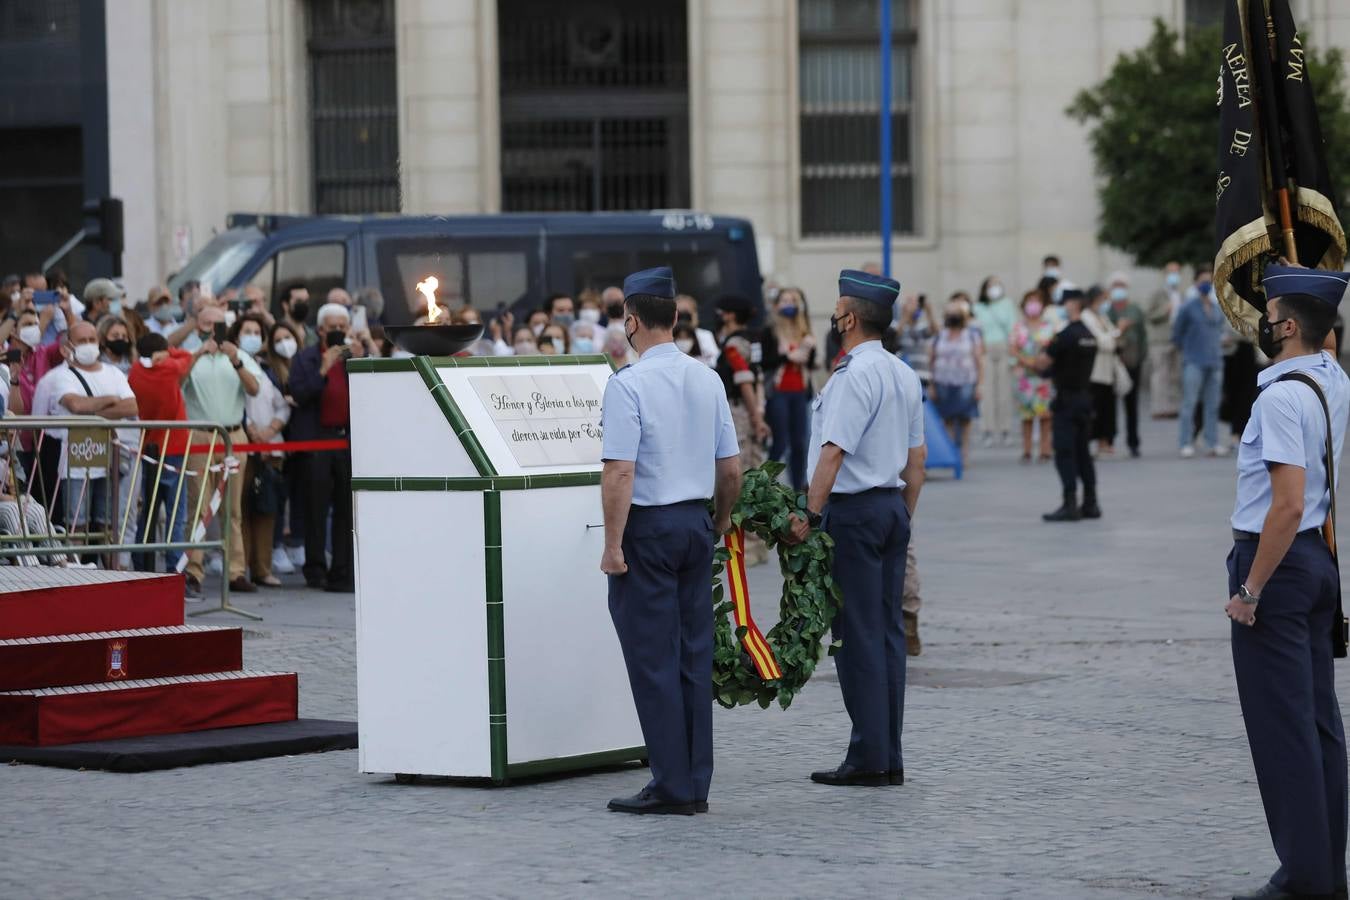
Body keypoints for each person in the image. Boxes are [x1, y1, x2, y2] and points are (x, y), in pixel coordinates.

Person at [1225, 265, 1349, 900]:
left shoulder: (1278, 396)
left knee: (1285, 729)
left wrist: (1249, 591)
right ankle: (1326, 870)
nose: (1261, 321)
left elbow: (1287, 504)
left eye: (1270, 312)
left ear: (1291, 327)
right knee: (1320, 725)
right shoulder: (1333, 380)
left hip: (1277, 561)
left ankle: (1304, 877)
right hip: (1318, 566)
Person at [599, 265, 741, 815]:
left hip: (650, 530)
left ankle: (670, 784)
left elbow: (619, 473)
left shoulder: (627, 384)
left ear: (630, 320)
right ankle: (694, 781)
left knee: (653, 659)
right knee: (692, 657)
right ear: (676, 317)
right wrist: (721, 523)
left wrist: (613, 546)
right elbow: (730, 469)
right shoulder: (707, 379)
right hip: (694, 525)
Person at [784, 268, 926, 787]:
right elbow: (918, 460)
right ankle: (888, 754)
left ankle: (870, 756)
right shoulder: (902, 373)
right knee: (887, 634)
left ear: (846, 318)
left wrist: (809, 515)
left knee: (859, 636)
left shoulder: (853, 375)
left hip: (856, 512)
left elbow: (832, 453)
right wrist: (901, 514)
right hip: (889, 507)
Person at [287, 303, 372, 592]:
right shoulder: (306, 358)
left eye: (342, 327)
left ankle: (342, 569)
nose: (337, 332)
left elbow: (371, 393)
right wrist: (324, 367)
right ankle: (315, 568)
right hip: (318, 440)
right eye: (332, 327)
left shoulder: (353, 356)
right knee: (316, 507)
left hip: (346, 441)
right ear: (321, 329)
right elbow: (299, 393)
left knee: (346, 509)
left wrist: (363, 360)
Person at [181, 305, 263, 597]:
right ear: (199, 326)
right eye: (208, 325)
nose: (214, 331)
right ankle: (193, 572)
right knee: (199, 507)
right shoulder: (191, 354)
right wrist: (198, 354)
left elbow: (254, 389)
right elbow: (177, 382)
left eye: (219, 326)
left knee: (233, 511)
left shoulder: (238, 356)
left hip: (233, 435)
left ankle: (236, 571)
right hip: (201, 436)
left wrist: (236, 360)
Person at [49, 322, 139, 548]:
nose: (89, 345)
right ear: (69, 346)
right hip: (76, 461)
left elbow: (131, 407)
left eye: (92, 340)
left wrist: (94, 412)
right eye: (82, 341)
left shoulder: (114, 372)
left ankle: (111, 578)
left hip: (109, 458)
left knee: (107, 525)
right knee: (76, 525)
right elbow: (76, 404)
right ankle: (74, 579)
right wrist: (111, 399)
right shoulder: (63, 376)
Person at [229, 314, 289, 587]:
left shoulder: (266, 371)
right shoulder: (231, 366)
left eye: (257, 332)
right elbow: (235, 403)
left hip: (269, 447)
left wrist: (270, 431)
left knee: (266, 509)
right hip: (243, 443)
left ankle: (262, 569)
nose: (253, 336)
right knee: (240, 509)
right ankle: (239, 568)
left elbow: (282, 405)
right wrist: (252, 431)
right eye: (247, 331)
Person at [128, 332, 193, 574]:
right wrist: (170, 353)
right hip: (174, 447)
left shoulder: (135, 372)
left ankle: (141, 561)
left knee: (147, 511)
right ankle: (174, 566)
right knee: (176, 513)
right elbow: (187, 356)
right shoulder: (169, 368)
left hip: (147, 449)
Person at [714, 293, 772, 563]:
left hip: (739, 410)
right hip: (752, 409)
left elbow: (745, 380)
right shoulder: (754, 340)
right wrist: (759, 412)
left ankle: (747, 545)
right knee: (754, 470)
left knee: (743, 475)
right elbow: (758, 377)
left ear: (729, 315)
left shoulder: (734, 344)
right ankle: (756, 543)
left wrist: (754, 416)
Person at [1037, 287, 1100, 522]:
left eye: (1065, 303)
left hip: (1066, 401)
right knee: (1083, 453)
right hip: (1085, 398)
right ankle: (1091, 502)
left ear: (1073, 304)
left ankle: (1070, 503)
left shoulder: (1065, 336)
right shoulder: (1088, 335)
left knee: (1065, 452)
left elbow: (1042, 363)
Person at [764, 287, 816, 492]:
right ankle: (765, 483)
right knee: (781, 440)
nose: (789, 305)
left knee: (800, 443)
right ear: (776, 306)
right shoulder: (770, 331)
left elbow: (811, 364)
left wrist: (808, 349)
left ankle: (797, 488)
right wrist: (787, 357)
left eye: (793, 301)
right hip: (778, 392)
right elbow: (765, 362)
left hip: (800, 392)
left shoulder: (804, 331)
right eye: (785, 301)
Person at [1173, 266, 1226, 458]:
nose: (1206, 284)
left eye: (1209, 281)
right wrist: (1187, 350)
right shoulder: (1188, 307)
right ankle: (1185, 442)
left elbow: (1220, 329)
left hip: (1215, 360)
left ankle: (1212, 442)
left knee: (1212, 404)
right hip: (1193, 360)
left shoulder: (1216, 307)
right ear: (1195, 283)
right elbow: (1177, 334)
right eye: (1203, 280)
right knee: (1190, 403)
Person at [264, 321, 302, 575]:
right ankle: (276, 546)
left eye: (287, 337)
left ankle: (297, 543)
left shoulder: (303, 365)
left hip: (301, 440)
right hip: (278, 440)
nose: (284, 343)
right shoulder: (269, 371)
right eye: (278, 339)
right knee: (276, 498)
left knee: (297, 497)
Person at [931, 298, 982, 465]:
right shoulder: (940, 335)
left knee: (965, 418)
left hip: (966, 381)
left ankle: (964, 453)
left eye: (957, 313)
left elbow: (978, 361)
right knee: (948, 418)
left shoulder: (972, 335)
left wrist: (979, 385)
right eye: (950, 313)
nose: (953, 316)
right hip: (943, 381)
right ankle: (952, 452)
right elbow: (932, 359)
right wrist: (932, 384)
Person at [1011, 288, 1056, 462]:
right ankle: (1027, 448)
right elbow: (1013, 349)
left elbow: (1053, 349)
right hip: (1025, 377)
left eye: (1036, 301)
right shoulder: (1018, 327)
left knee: (1045, 415)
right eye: (1030, 301)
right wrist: (1028, 361)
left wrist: (1041, 363)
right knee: (1027, 415)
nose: (1033, 305)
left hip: (1043, 376)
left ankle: (1045, 449)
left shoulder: (1048, 327)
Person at [1106, 273, 1148, 457]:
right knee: (1108, 404)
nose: (1119, 289)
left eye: (1122, 285)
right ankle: (1108, 439)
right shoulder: (1107, 311)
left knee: (1131, 404)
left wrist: (1140, 357)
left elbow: (1143, 336)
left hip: (1132, 362)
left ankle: (1133, 442)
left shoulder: (1135, 310)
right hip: (1112, 362)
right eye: (1116, 285)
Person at [973, 276, 1015, 447]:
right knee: (987, 392)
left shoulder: (1007, 304)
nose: (994, 288)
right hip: (986, 348)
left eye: (997, 285)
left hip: (1003, 347)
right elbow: (976, 329)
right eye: (991, 285)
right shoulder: (978, 307)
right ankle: (987, 430)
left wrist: (1013, 357)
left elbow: (1012, 327)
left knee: (1004, 392)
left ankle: (1005, 429)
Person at [1147, 261, 1186, 419]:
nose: (1174, 276)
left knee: (1175, 375)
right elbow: (1149, 315)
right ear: (1165, 274)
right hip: (1160, 340)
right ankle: (1158, 408)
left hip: (1176, 339)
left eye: (1176, 272)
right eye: (1171, 272)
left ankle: (1172, 407)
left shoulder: (1181, 294)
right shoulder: (1158, 293)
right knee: (1160, 375)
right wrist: (1165, 310)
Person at [894, 293, 936, 388]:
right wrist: (906, 315)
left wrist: (929, 312)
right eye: (910, 303)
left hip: (924, 376)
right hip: (905, 378)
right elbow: (894, 336)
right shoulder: (898, 326)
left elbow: (935, 331)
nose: (915, 306)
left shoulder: (922, 327)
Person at [675, 293, 719, 367]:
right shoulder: (666, 337)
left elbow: (713, 362)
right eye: (680, 314)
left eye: (686, 313)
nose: (683, 318)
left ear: (694, 314)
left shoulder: (705, 335)